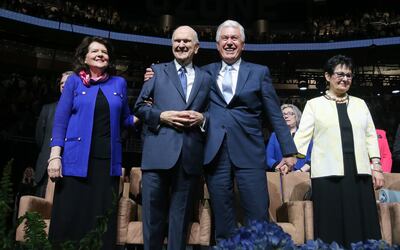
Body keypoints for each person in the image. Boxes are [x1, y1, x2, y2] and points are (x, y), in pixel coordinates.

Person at [144, 20, 297, 241]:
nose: (229, 42)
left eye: (234, 38)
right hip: (215, 154)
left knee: (258, 217)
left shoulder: (259, 72)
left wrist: (289, 151)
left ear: (242, 44)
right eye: (224, 38)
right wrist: (154, 76)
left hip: (250, 153)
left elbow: (274, 113)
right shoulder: (204, 73)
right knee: (223, 221)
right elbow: (178, 87)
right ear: (217, 45)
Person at [47, 36, 136, 249]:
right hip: (74, 160)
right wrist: (55, 156)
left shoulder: (119, 83)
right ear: (84, 57)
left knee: (101, 222)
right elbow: (61, 120)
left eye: (104, 52)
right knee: (70, 218)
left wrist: (148, 112)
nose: (100, 55)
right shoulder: (74, 81)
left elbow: (126, 118)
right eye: (95, 51)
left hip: (106, 163)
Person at [294, 54, 384, 247]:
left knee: (362, 221)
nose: (345, 79)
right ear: (327, 76)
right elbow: (302, 136)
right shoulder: (314, 105)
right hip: (327, 172)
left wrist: (376, 166)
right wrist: (291, 158)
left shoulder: (360, 104)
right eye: (340, 74)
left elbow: (370, 135)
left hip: (358, 171)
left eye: (349, 75)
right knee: (330, 223)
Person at [134, 26, 211, 250]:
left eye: (187, 41)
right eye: (177, 41)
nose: (181, 45)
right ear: (171, 45)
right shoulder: (156, 71)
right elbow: (139, 107)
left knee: (180, 221)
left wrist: (202, 118)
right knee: (152, 218)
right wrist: (161, 116)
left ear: (196, 47)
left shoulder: (206, 78)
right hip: (157, 154)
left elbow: (212, 112)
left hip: (189, 157)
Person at [34, 71, 73, 197]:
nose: (63, 85)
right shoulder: (47, 109)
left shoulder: (82, 111)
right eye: (62, 83)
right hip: (46, 169)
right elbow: (39, 139)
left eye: (67, 83)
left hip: (71, 171)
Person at [266, 104, 312, 172]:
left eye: (290, 113)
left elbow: (314, 156)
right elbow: (268, 158)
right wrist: (279, 167)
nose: (286, 116)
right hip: (280, 174)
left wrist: (301, 170)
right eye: (283, 114)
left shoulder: (305, 134)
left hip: (302, 174)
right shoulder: (275, 135)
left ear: (297, 116)